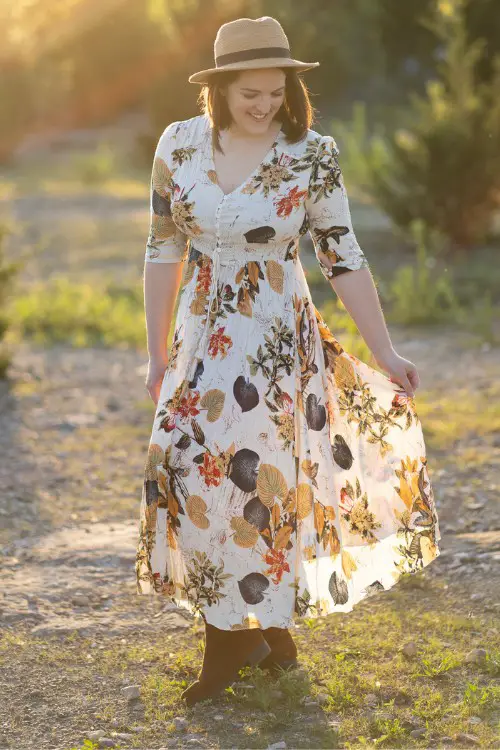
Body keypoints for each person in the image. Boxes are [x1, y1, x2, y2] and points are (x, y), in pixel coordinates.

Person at [135, 16, 442, 707]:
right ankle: (268, 634)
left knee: (257, 483)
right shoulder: (178, 146)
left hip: (275, 343)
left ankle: (234, 635)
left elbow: (343, 257)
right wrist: (154, 353)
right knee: (183, 467)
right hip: (200, 338)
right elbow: (161, 250)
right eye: (250, 92)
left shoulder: (312, 154)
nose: (265, 104)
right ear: (217, 89)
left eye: (276, 91)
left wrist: (385, 351)